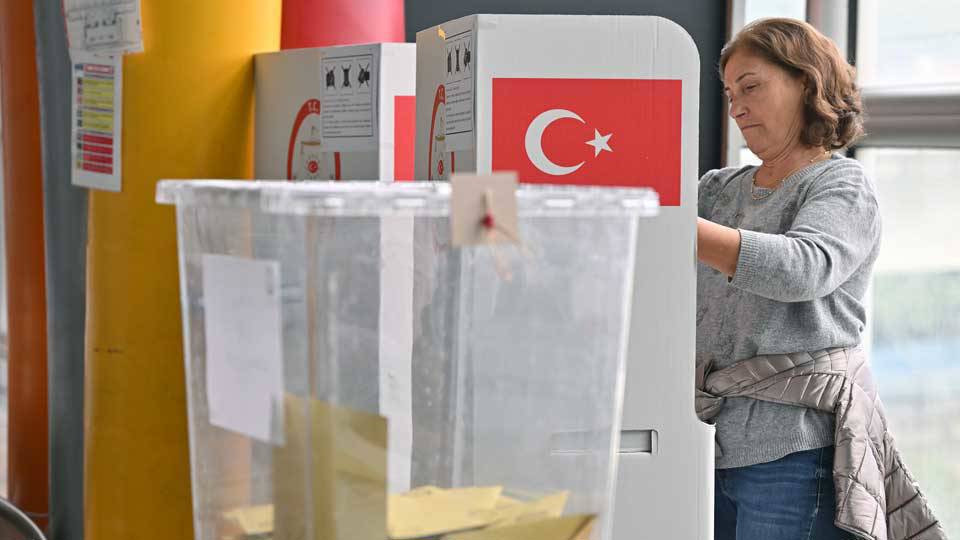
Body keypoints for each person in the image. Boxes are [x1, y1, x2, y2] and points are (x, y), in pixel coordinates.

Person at [697, 18, 876, 539]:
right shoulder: (717, 190)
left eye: (751, 87)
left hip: (796, 450)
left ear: (806, 83)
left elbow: (803, 268)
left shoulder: (842, 184)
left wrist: (676, 226)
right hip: (708, 440)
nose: (736, 108)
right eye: (730, 95)